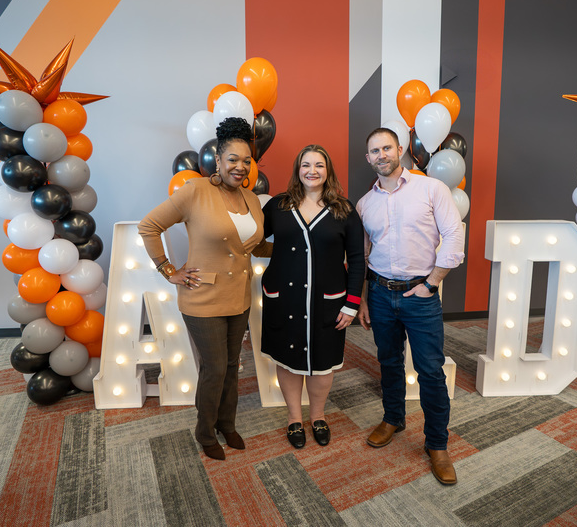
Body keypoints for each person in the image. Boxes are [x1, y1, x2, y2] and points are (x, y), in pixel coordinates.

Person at [138, 117, 270, 461]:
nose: (240, 167)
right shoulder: (195, 191)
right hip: (202, 297)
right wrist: (169, 270)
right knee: (214, 367)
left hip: (239, 297)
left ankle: (228, 423)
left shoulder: (252, 201)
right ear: (218, 159)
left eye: (246, 161)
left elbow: (253, 248)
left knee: (231, 366)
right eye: (233, 160)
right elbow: (148, 226)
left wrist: (299, 245)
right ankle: (205, 431)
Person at [356, 127, 464, 485]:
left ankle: (437, 444)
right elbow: (363, 256)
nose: (382, 154)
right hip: (381, 295)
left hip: (420, 293)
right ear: (368, 158)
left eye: (387, 147)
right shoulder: (364, 203)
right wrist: (364, 299)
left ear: (399, 150)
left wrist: (432, 283)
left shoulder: (431, 189)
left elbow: (453, 234)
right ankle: (393, 418)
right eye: (375, 150)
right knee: (387, 361)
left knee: (430, 370)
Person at [260, 144, 365, 448]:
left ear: (328, 171)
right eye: (306, 165)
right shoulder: (278, 206)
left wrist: (352, 303)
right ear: (298, 170)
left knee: (323, 363)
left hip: (329, 301)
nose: (312, 171)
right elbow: (253, 240)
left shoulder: (344, 210)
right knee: (287, 359)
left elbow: (357, 260)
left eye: (319, 165)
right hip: (284, 299)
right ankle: (294, 418)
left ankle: (317, 415)